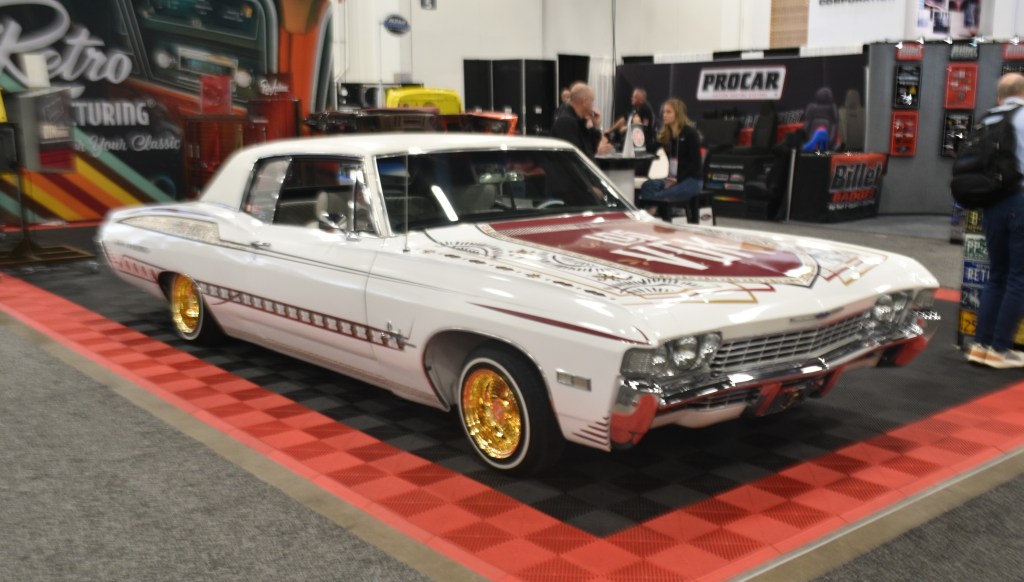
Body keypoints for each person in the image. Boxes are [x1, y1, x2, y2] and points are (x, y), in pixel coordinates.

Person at [965, 72, 1024, 369]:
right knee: (1019, 277)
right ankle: (1000, 349)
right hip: (1020, 201)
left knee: (997, 274)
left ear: (1001, 95)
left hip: (991, 204)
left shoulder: (987, 118)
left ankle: (980, 346)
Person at [636, 98, 703, 207]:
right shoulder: (666, 135)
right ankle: (652, 212)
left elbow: (696, 165)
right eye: (664, 112)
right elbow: (649, 149)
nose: (664, 115)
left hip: (691, 180)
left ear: (678, 114)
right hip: (673, 178)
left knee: (660, 196)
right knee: (647, 186)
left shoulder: (690, 133)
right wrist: (639, 128)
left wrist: (677, 179)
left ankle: (653, 210)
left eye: (668, 112)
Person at [550, 83, 612, 159]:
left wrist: (596, 126)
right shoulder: (566, 122)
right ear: (584, 101)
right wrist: (597, 150)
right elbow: (574, 156)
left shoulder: (579, 121)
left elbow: (592, 146)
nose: (592, 105)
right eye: (592, 101)